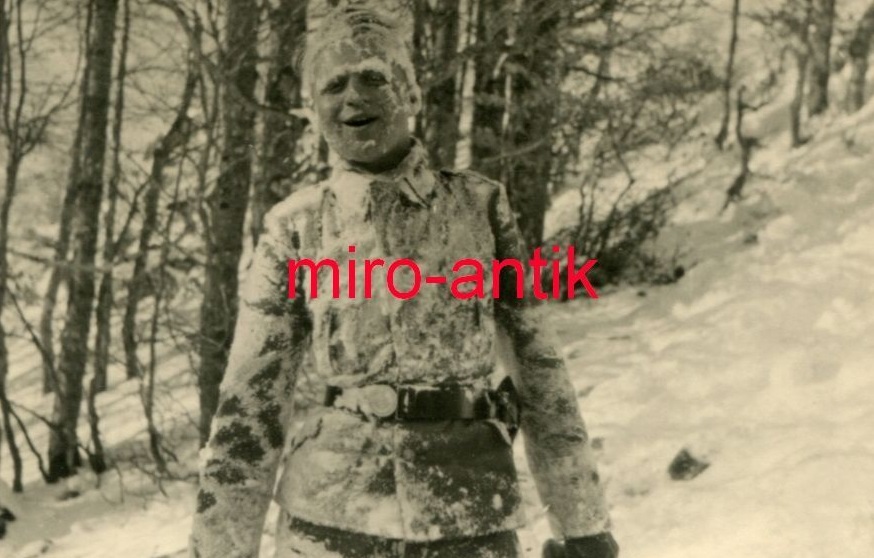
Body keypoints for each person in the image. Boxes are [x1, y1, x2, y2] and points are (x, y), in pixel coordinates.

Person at [189, 4, 618, 557]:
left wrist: (583, 524)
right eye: (333, 85)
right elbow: (249, 404)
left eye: (373, 77)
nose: (353, 97)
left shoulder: (479, 207)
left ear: (411, 94)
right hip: (330, 522)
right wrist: (219, 549)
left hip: (468, 514)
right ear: (314, 109)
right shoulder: (294, 227)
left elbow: (541, 373)